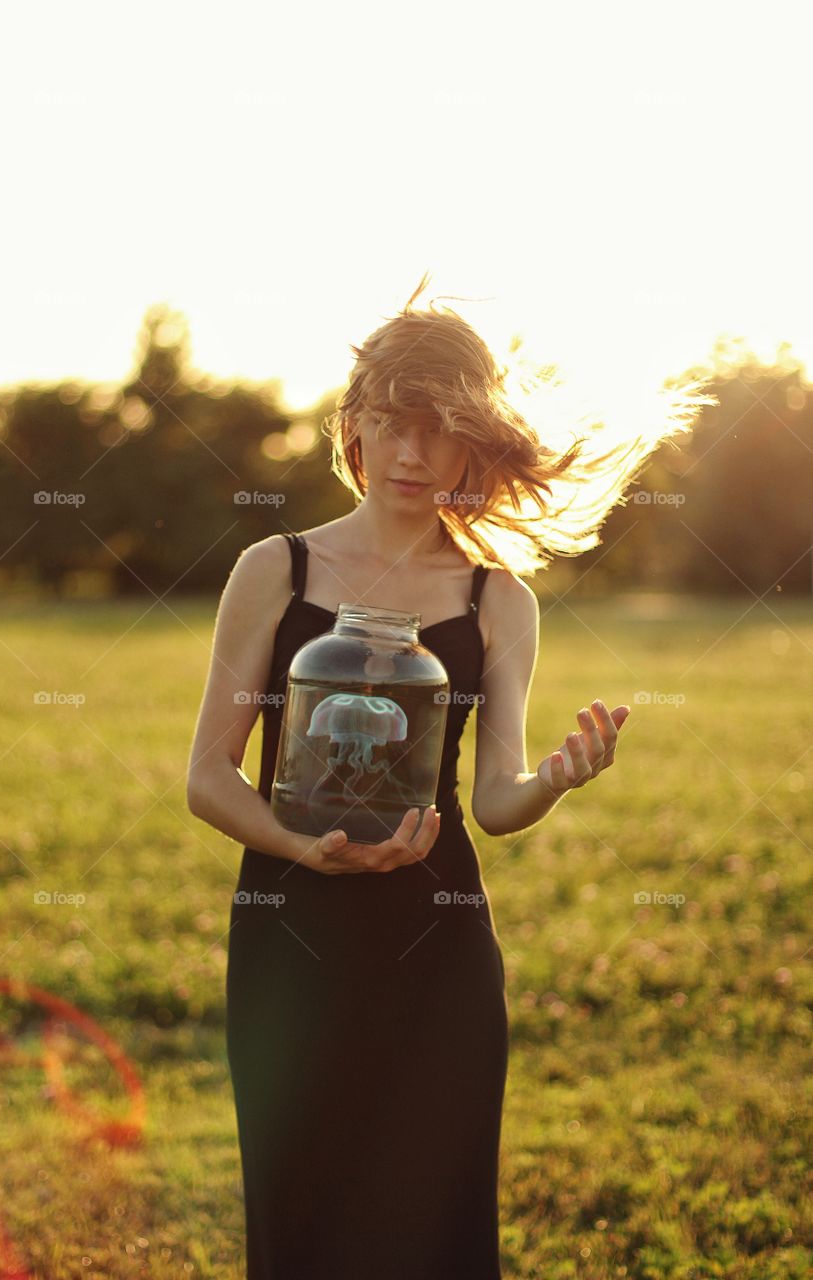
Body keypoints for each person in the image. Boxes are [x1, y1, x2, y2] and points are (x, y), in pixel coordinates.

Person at [186, 273, 714, 1278]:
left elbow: (491, 799)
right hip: (290, 933)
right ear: (352, 430)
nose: (412, 453)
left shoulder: (496, 600)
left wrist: (555, 777)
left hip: (439, 948)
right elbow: (208, 775)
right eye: (390, 423)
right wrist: (303, 847)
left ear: (474, 442)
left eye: (437, 429)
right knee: (302, 1219)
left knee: (434, 1226)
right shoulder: (276, 569)